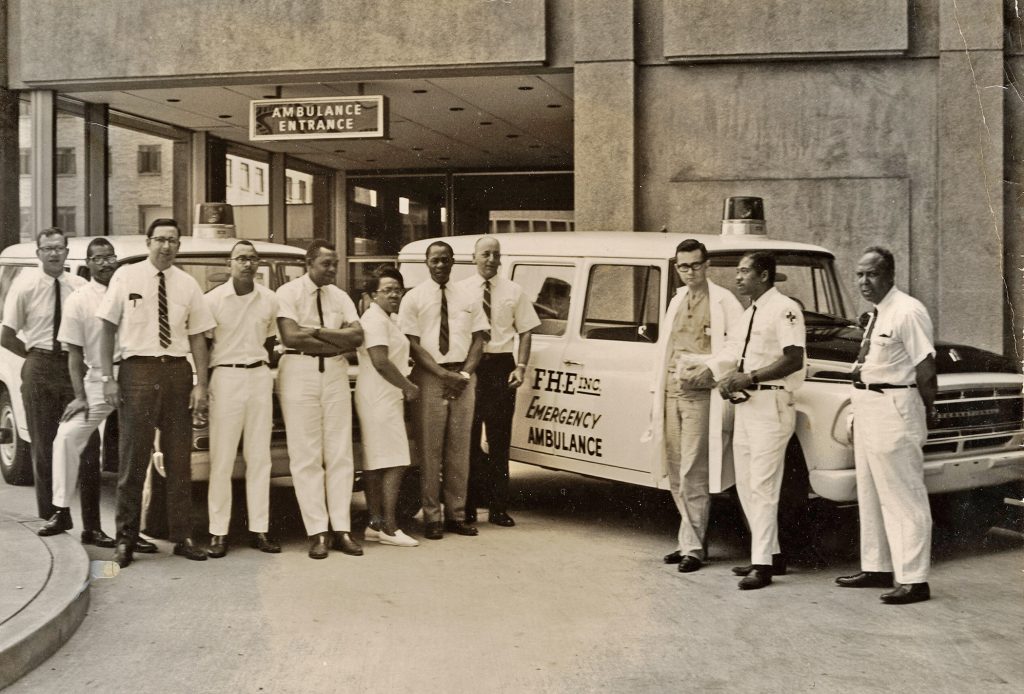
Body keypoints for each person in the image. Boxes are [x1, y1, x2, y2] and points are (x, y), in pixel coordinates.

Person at [97, 219, 215, 567]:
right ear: (148, 242)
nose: (166, 246)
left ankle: (183, 537)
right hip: (137, 371)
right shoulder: (126, 277)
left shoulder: (188, 284)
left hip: (177, 372)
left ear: (179, 245)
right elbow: (106, 329)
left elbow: (197, 337)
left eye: (173, 241)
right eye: (160, 240)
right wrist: (108, 377)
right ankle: (126, 539)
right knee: (134, 459)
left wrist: (201, 383)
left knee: (179, 460)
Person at [835, 246, 936, 605]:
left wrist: (927, 411)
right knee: (871, 493)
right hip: (868, 407)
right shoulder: (878, 313)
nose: (864, 281)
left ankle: (914, 578)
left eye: (872, 274)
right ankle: (877, 566)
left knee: (903, 496)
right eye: (860, 274)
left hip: (895, 407)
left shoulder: (908, 311)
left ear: (890, 275)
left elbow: (925, 370)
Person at [717, 251, 805, 590]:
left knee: (764, 486)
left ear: (764, 275)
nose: (738, 278)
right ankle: (771, 554)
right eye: (738, 272)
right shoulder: (750, 313)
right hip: (747, 406)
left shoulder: (784, 309)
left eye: (744, 272)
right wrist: (729, 380)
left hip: (772, 404)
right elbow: (736, 354)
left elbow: (793, 359)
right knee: (745, 484)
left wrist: (749, 378)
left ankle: (762, 566)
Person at [276, 240, 364, 559]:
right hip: (299, 371)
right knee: (306, 453)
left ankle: (342, 528)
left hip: (336, 374)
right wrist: (334, 338)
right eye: (326, 264)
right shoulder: (288, 293)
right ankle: (318, 531)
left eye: (336, 264)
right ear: (309, 263)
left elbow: (357, 337)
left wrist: (315, 333)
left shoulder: (340, 297)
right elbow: (290, 337)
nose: (332, 269)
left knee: (340, 451)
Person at [660, 239, 744, 573]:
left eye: (696, 265)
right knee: (674, 466)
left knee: (693, 469)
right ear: (677, 268)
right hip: (671, 390)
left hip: (700, 394)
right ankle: (688, 540)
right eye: (683, 266)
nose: (690, 272)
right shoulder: (676, 300)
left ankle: (694, 548)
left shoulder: (724, 301)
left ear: (707, 266)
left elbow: (737, 346)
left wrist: (710, 367)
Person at [35, 238, 125, 548]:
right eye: (97, 258)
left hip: (136, 372)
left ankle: (133, 529)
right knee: (66, 438)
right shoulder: (79, 299)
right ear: (88, 263)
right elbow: (74, 355)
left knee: (139, 450)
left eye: (109, 256)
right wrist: (80, 396)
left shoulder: (129, 289)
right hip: (98, 378)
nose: (105, 262)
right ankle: (61, 510)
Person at [398, 241, 488, 540]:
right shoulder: (413, 298)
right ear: (427, 262)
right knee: (430, 449)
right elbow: (412, 342)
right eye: (435, 260)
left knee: (459, 449)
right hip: (430, 376)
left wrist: (463, 373)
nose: (440, 265)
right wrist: (441, 374)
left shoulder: (469, 296)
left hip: (463, 375)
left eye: (446, 260)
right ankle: (432, 516)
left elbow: (479, 339)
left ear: (453, 262)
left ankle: (456, 515)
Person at [1, 227, 86, 522]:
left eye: (58, 248)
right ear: (38, 254)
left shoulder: (78, 286)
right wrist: (34, 356)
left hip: (73, 365)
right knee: (44, 443)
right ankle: (51, 517)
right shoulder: (25, 286)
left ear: (66, 252)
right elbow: (7, 334)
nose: (53, 253)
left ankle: (91, 524)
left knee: (81, 442)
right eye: (47, 249)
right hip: (39, 365)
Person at [204, 240, 281, 558]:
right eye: (241, 259)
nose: (247, 264)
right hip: (225, 376)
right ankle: (218, 532)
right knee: (221, 459)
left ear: (258, 263)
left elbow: (271, 341)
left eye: (252, 259)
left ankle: (259, 530)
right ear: (229, 262)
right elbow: (205, 345)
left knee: (260, 457)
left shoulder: (270, 300)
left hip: (259, 377)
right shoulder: (212, 300)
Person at [458, 236, 540, 527]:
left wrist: (521, 366)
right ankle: (466, 508)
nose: (491, 259)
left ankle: (498, 508)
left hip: (502, 366)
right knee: (467, 439)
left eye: (496, 254)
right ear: (474, 257)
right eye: (485, 254)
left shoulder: (514, 291)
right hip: (473, 366)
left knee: (499, 440)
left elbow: (527, 330)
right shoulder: (461, 291)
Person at [355, 267, 420, 548]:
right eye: (388, 290)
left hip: (383, 396)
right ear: (372, 295)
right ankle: (389, 528)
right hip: (378, 396)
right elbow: (380, 361)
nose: (395, 294)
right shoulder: (374, 320)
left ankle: (376, 524)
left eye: (398, 289)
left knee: (378, 462)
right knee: (394, 460)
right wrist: (408, 386)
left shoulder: (386, 319)